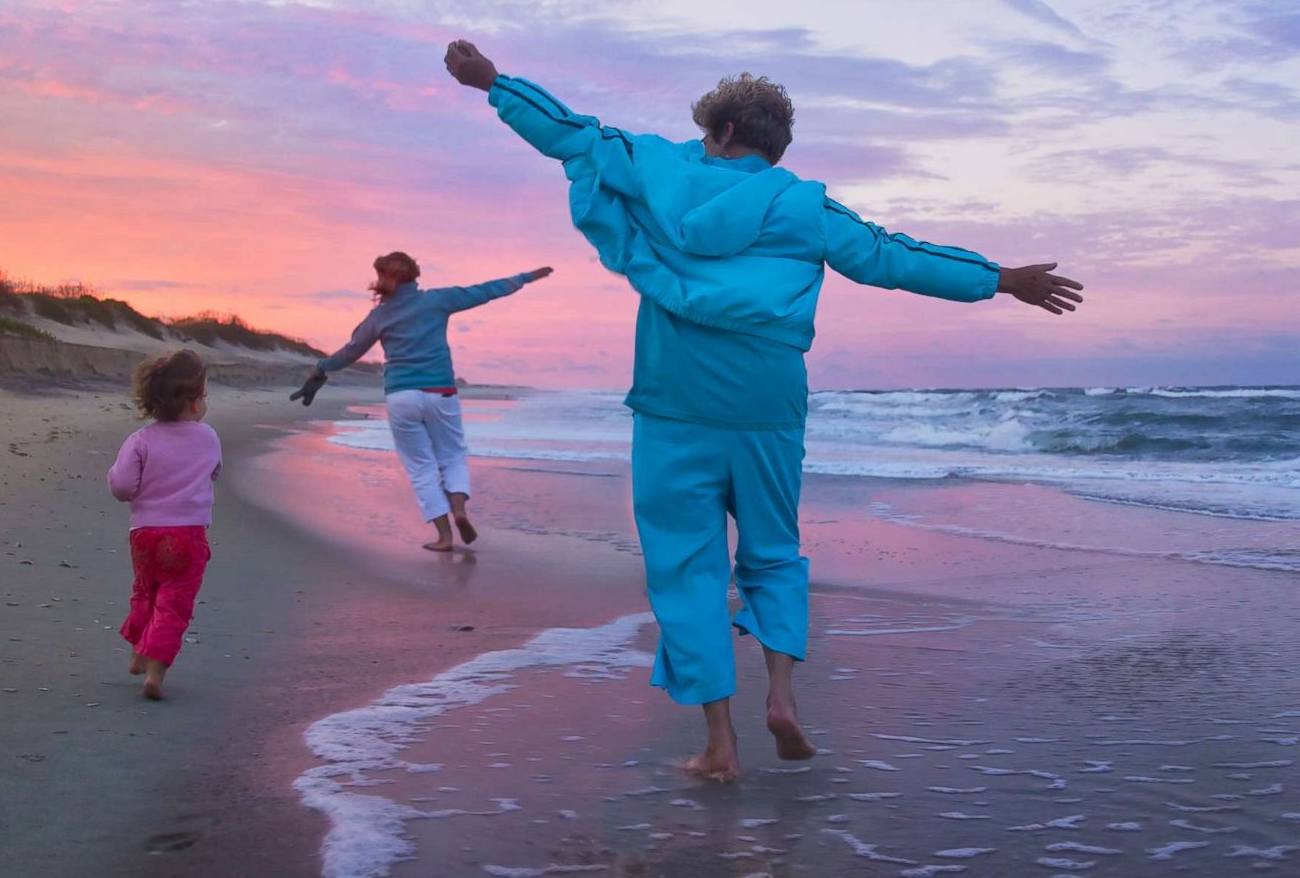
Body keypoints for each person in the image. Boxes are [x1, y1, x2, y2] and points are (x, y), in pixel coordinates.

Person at [443, 40, 1084, 780]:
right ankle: (781, 697)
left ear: (714, 131)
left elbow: (571, 132)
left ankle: (719, 743)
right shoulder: (802, 205)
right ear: (776, 149)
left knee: (685, 563)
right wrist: (998, 278)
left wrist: (492, 82)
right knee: (773, 550)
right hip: (768, 403)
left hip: (674, 398)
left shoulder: (658, 167)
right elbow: (889, 256)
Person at [292, 252, 552, 551]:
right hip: (441, 392)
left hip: (402, 396)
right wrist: (525, 278)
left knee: (421, 466)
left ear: (381, 277)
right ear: (415, 275)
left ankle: (444, 537)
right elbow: (486, 291)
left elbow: (350, 352)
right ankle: (460, 511)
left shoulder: (379, 316)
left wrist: (320, 368)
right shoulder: (437, 300)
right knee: (452, 455)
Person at [107, 349, 222, 700]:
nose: (205, 403)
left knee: (146, 590)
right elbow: (215, 471)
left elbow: (122, 486)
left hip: (145, 535)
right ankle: (155, 673)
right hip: (188, 536)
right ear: (191, 404)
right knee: (174, 602)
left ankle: (138, 652)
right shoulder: (208, 438)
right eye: (203, 396)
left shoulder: (140, 441)